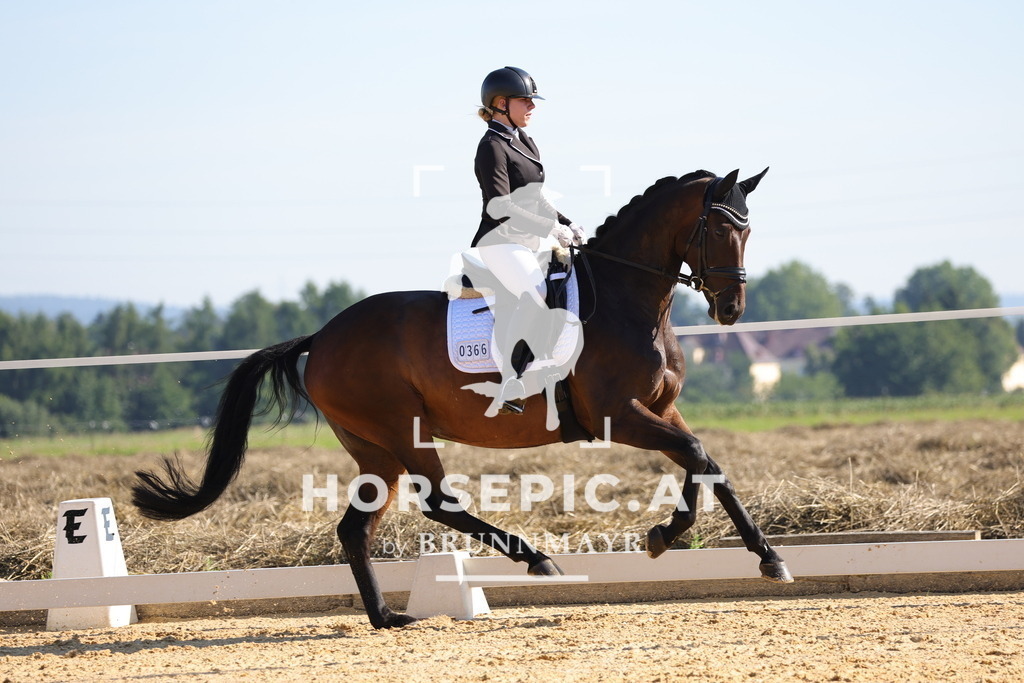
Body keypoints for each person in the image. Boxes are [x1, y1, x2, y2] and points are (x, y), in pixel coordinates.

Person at [469, 66, 584, 415]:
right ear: (501, 103)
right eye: (525, 100)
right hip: (500, 241)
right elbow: (501, 206)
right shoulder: (491, 147)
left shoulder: (524, 141)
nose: (532, 106)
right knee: (536, 290)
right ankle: (511, 379)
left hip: (529, 240)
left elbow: (537, 196)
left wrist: (566, 222)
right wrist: (551, 229)